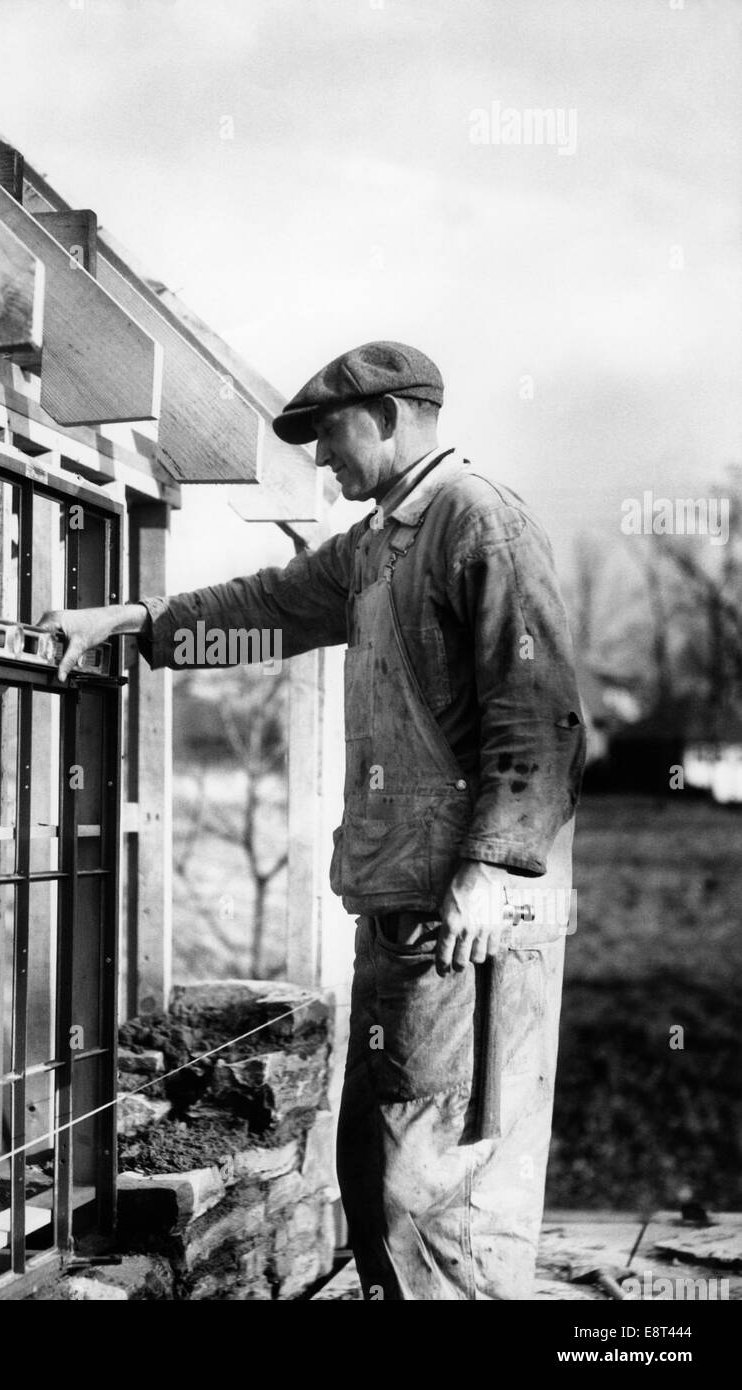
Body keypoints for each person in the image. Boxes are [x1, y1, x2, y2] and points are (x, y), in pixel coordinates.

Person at [38, 341, 586, 1300]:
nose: (323, 461)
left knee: (438, 1189)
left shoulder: (478, 526)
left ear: (388, 416)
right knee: (374, 1174)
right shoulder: (381, 544)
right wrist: (131, 621)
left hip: (471, 927)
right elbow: (266, 606)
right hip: (404, 911)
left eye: (329, 435)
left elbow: (539, 716)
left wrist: (491, 869)